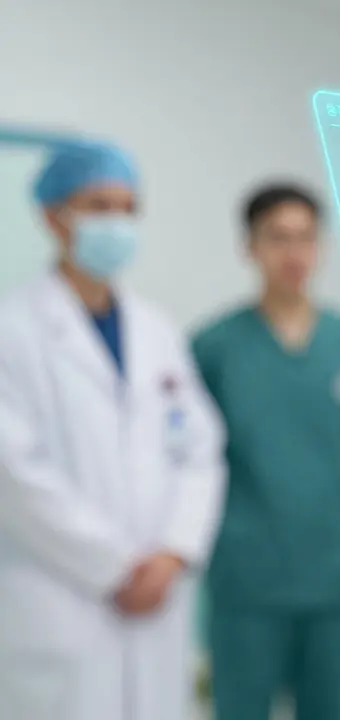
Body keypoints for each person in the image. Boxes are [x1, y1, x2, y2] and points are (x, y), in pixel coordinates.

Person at [0, 141, 227, 720]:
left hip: (157, 593)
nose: (118, 222)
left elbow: (202, 449)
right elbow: (15, 471)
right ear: (53, 216)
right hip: (62, 595)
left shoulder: (156, 329)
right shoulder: (13, 328)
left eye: (129, 208)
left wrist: (173, 552)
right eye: (99, 206)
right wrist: (114, 566)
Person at [192, 183, 340, 720]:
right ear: (249, 247)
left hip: (332, 568)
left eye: (304, 238)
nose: (293, 253)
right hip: (247, 570)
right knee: (241, 706)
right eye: (277, 238)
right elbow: (193, 457)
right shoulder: (215, 349)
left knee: (328, 708)